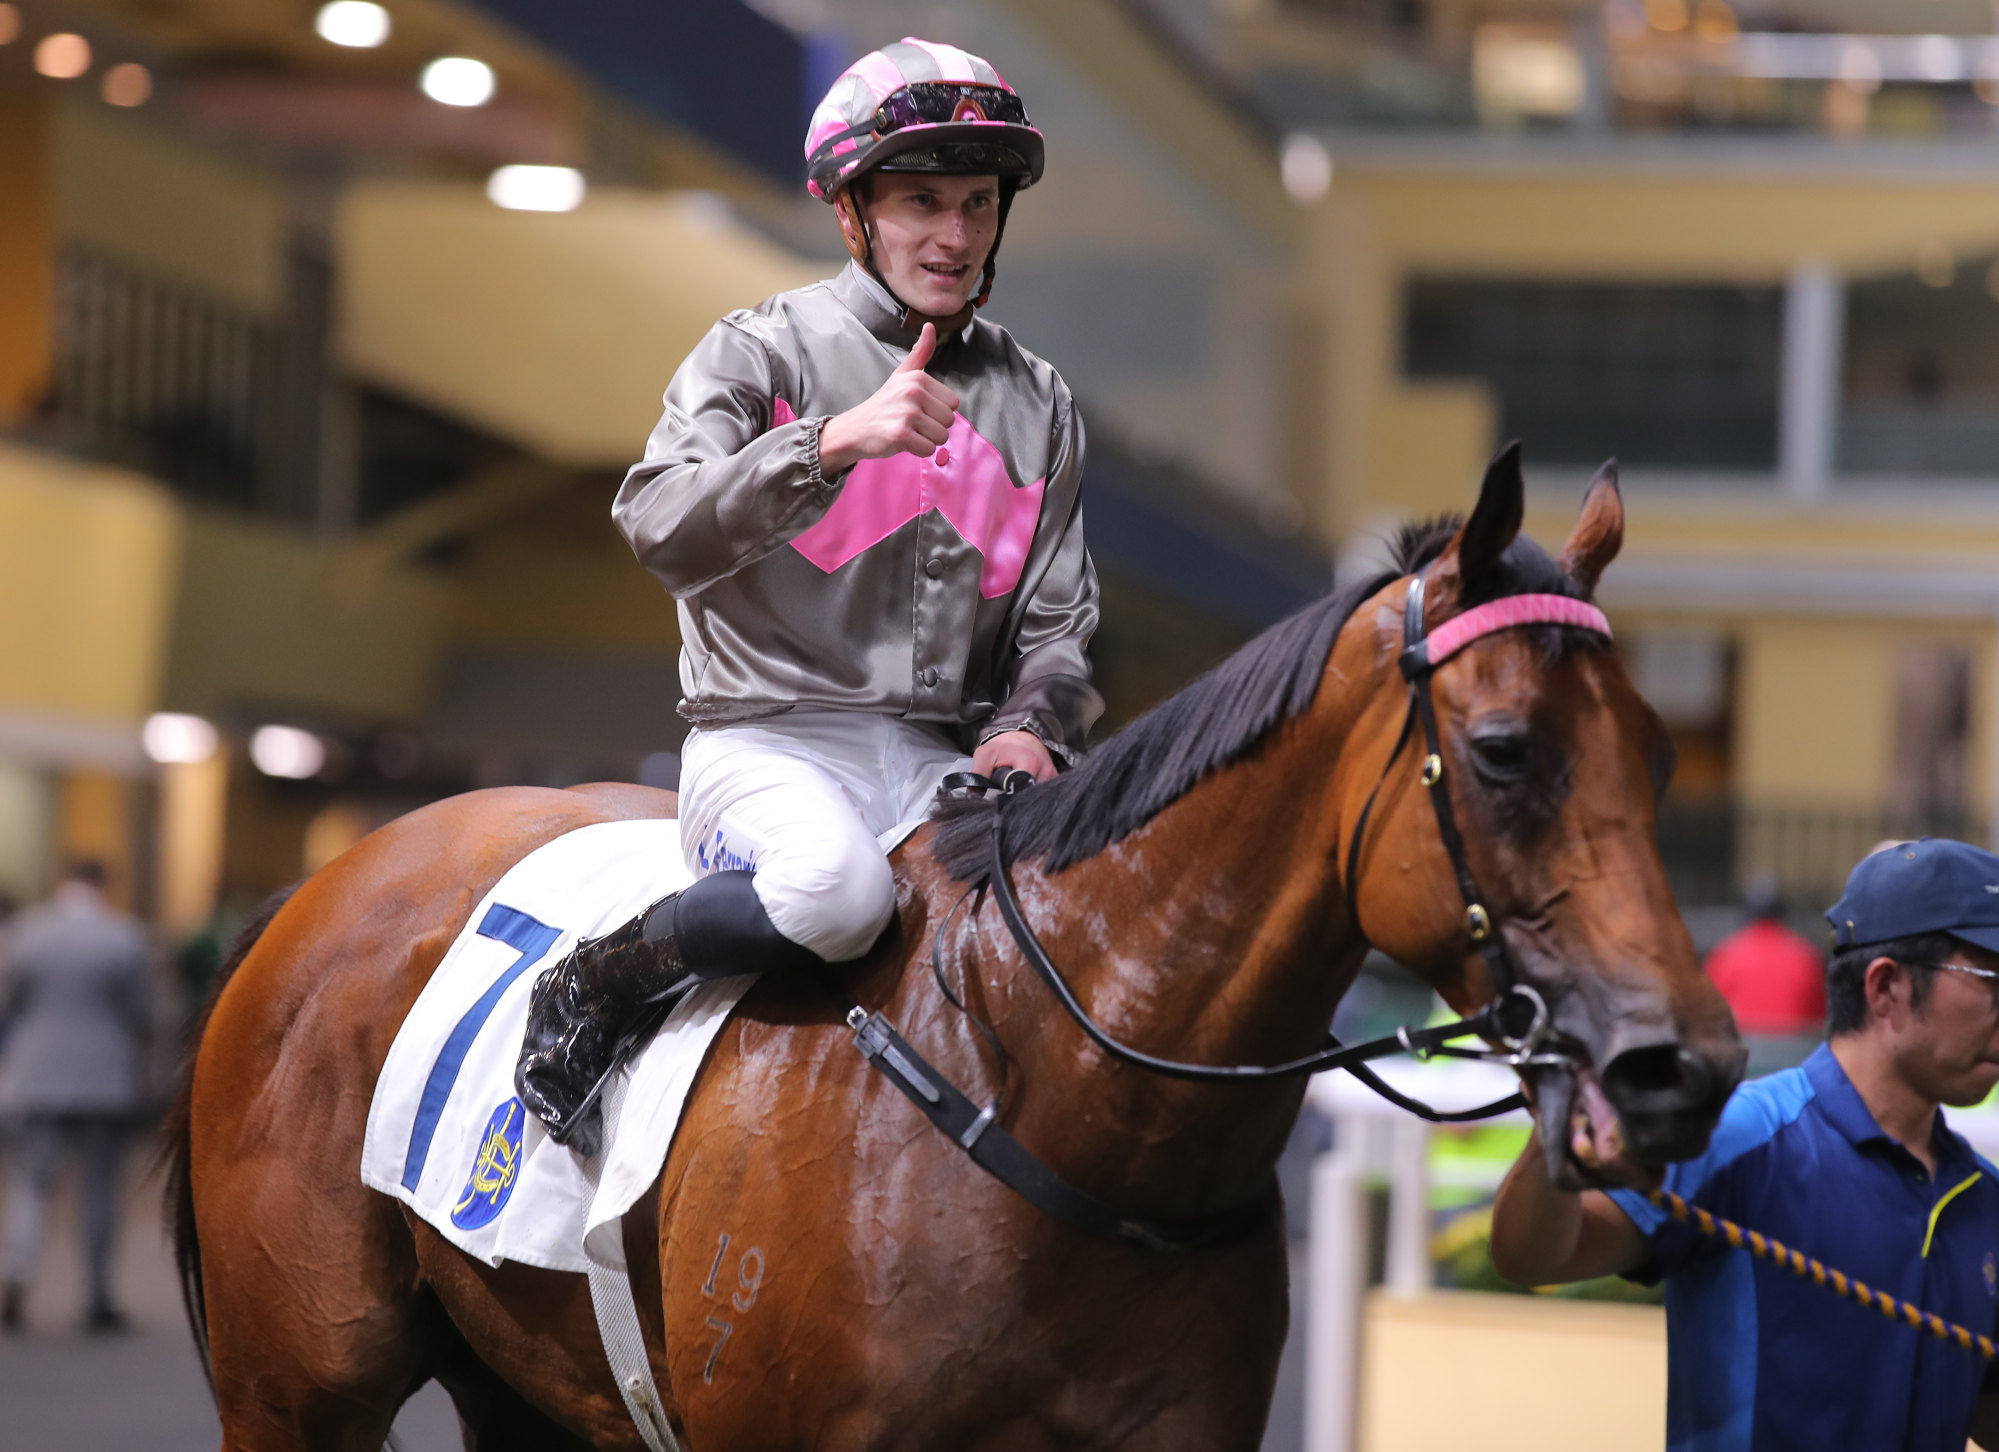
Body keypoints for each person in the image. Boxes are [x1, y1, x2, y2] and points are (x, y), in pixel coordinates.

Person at [515, 38, 1100, 1153]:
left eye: (977, 203)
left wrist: (1029, 730)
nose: (955, 235)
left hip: (938, 762)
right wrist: (830, 444)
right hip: (762, 746)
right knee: (837, 895)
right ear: (851, 212)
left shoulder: (1040, 402)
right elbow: (656, 524)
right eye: (921, 201)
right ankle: (603, 976)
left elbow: (1058, 623)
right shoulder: (756, 352)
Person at [1489, 837, 1999, 1451]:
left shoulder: (1984, 1197)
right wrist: (1556, 1119)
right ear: (1886, 986)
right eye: (1994, 981)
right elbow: (1535, 1258)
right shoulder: (1740, 1136)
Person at [0, 861, 154, 1334]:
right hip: (103, 1079)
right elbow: (142, 1014)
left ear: (60, 883)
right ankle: (97, 1295)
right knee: (100, 1190)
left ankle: (20, 1269)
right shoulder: (124, 936)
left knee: (31, 1183)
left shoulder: (27, 933)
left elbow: (8, 1005)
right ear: (103, 885)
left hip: (36, 1075)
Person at [1703, 874, 1826, 1056]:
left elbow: (1706, 1020)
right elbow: (1819, 1020)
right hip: (1793, 1060)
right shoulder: (1807, 955)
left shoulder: (1724, 955)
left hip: (1742, 1062)